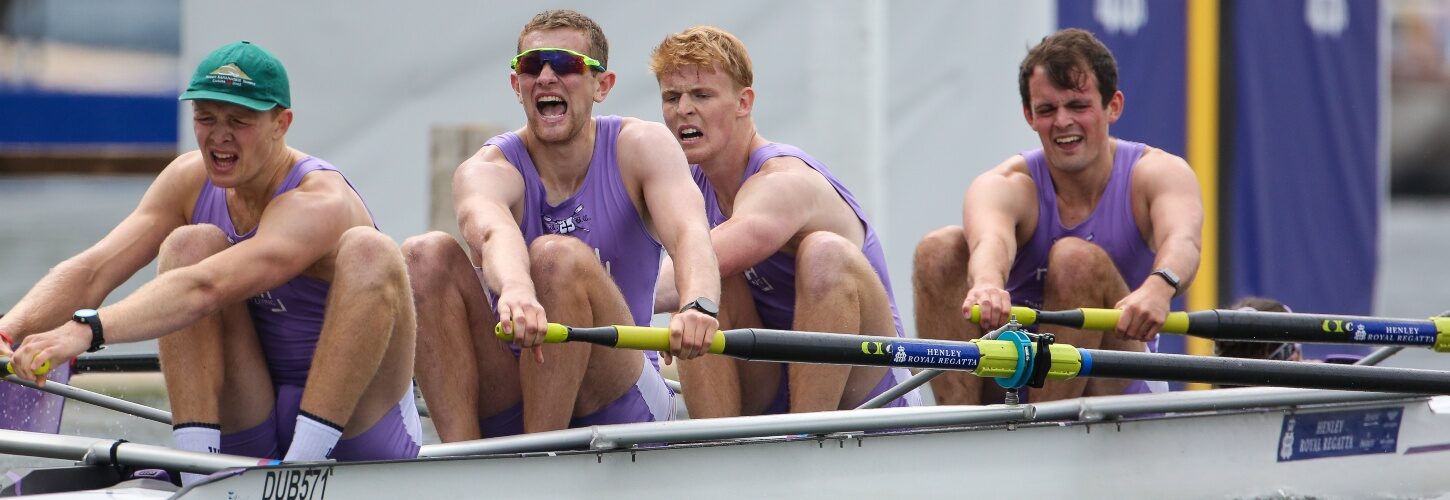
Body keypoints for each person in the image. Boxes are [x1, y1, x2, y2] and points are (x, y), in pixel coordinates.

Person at [3, 41, 421, 480]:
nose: (219, 136)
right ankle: (196, 470)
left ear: (282, 123)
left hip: (357, 428)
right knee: (190, 244)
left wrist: (85, 330)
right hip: (252, 416)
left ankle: (301, 466)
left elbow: (206, 288)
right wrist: (9, 330)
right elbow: (95, 268)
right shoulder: (188, 180)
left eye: (238, 121)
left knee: (370, 251)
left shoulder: (321, 200)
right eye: (205, 118)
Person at [402, 10, 720, 441]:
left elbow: (689, 234)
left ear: (601, 86)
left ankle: (536, 462)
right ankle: (463, 463)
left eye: (567, 64)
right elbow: (494, 231)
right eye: (532, 66)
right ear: (517, 86)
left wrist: (698, 305)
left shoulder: (641, 147)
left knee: (555, 257)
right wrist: (516, 289)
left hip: (621, 398)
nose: (547, 77)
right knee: (423, 255)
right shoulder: (486, 169)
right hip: (518, 385)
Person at [912, 28, 1204, 405]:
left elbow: (1184, 241)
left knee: (1075, 258)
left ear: (1112, 106)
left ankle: (1044, 431)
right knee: (938, 249)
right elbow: (990, 240)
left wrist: (1158, 288)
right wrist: (986, 282)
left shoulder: (1158, 173)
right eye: (1048, 110)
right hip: (1016, 380)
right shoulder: (1006, 184)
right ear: (1029, 116)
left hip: (1117, 383)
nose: (1063, 122)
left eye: (1078, 106)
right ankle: (958, 429)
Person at [648, 26, 919, 416]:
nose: (683, 109)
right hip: (774, 380)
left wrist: (617, 306)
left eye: (702, 95)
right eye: (671, 97)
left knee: (818, 254)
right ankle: (713, 457)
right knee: (704, 287)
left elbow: (700, 260)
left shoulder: (783, 181)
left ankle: (804, 446)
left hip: (866, 391)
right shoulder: (683, 184)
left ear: (744, 102)